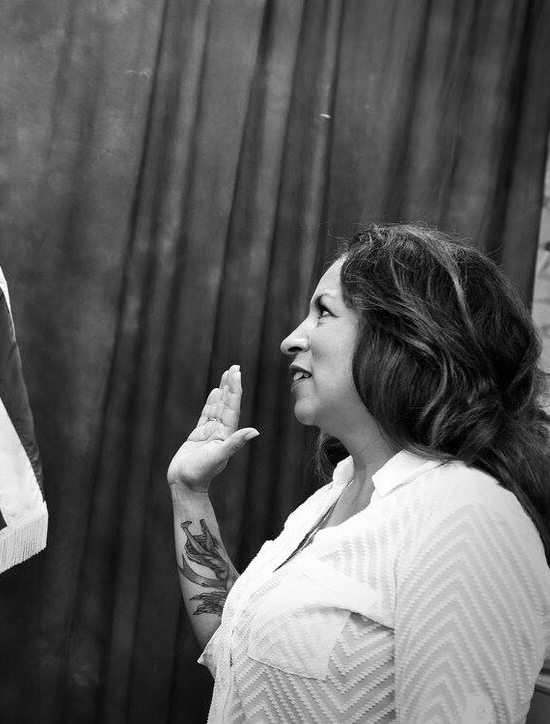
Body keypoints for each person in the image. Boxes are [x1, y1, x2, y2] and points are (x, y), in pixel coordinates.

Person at [167, 223, 550, 722]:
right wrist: (189, 492)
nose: (289, 340)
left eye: (324, 312)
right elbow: (237, 655)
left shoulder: (469, 521)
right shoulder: (337, 494)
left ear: (407, 336)